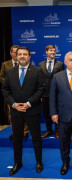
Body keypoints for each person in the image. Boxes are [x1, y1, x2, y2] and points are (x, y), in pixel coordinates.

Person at [2, 47, 45, 176]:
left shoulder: (37, 71)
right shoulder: (10, 72)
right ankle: (17, 162)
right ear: (16, 56)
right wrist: (14, 104)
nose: (22, 56)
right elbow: (5, 90)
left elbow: (41, 88)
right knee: (17, 139)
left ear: (29, 56)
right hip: (16, 111)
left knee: (36, 138)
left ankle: (39, 162)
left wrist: (28, 103)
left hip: (32, 110)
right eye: (19, 54)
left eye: (24, 54)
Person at [0, 45, 29, 140]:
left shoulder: (26, 64)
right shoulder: (5, 64)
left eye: (19, 52)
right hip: (11, 95)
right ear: (11, 53)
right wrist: (11, 85)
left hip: (24, 94)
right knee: (11, 114)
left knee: (25, 113)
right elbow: (2, 77)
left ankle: (25, 132)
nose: (17, 54)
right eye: (15, 52)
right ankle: (15, 132)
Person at [39, 45, 64, 139]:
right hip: (45, 94)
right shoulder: (41, 64)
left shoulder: (60, 64)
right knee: (46, 114)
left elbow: (63, 80)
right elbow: (40, 80)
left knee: (57, 113)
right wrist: (40, 94)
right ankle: (49, 130)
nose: (53, 52)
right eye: (50, 50)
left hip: (57, 93)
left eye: (54, 51)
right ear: (46, 52)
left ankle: (58, 131)